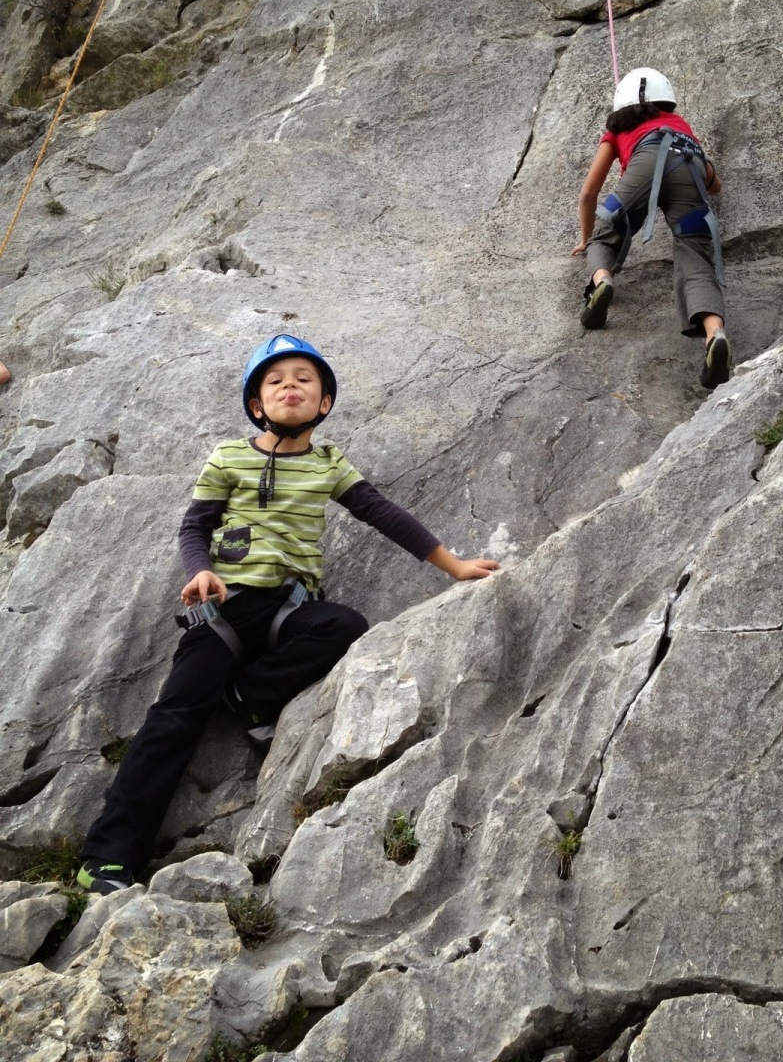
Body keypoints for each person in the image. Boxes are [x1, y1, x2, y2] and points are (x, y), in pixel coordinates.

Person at [77, 334, 499, 894]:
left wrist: (454, 566)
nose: (289, 386)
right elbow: (195, 526)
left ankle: (249, 696)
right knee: (173, 718)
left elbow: (383, 514)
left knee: (344, 627)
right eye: (274, 381)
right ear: (257, 404)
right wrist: (199, 571)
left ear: (325, 402)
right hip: (223, 608)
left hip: (290, 609)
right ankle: (107, 858)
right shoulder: (228, 456)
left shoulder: (329, 463)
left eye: (304, 379)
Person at [571, 67, 731, 389]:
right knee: (697, 261)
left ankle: (602, 280)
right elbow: (715, 187)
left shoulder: (617, 129)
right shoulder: (681, 125)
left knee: (606, 233)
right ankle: (715, 334)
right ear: (666, 98)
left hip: (644, 162)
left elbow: (589, 193)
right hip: (689, 164)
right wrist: (700, 161)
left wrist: (586, 239)